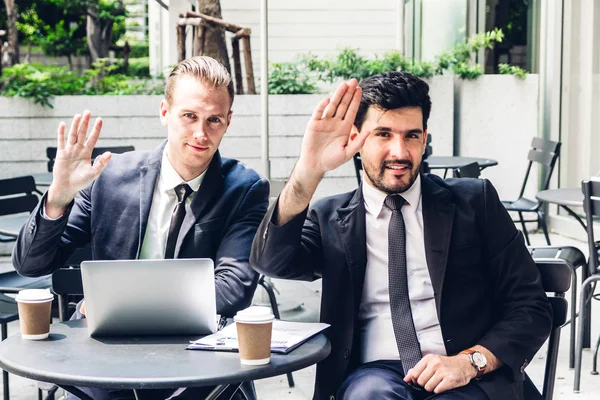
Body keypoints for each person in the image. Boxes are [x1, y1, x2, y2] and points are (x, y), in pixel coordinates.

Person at [250, 71, 552, 400]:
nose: (400, 152)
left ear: (424, 139)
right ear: (355, 139)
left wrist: (471, 361)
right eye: (383, 134)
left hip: (466, 377)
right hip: (373, 377)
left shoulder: (474, 202)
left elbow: (530, 306)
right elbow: (271, 261)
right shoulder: (330, 217)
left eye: (411, 136)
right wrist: (309, 169)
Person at [13, 56, 269, 399]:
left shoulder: (244, 188)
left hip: (198, 358)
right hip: (103, 354)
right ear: (164, 111)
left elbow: (234, 288)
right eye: (189, 116)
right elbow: (31, 265)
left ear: (228, 122)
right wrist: (57, 200)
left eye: (214, 120)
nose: (201, 133)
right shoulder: (110, 177)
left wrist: (117, 303)